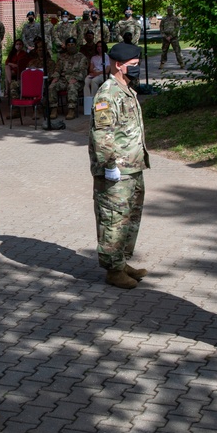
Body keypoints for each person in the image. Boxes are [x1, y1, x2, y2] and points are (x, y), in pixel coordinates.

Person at [89, 42, 150, 290]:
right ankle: (113, 270)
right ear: (118, 65)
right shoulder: (107, 94)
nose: (136, 69)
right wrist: (109, 165)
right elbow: (103, 135)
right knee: (113, 218)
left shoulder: (127, 89)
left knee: (130, 218)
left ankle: (122, 261)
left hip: (133, 166)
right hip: (116, 170)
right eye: (133, 65)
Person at [47, 37, 89, 120]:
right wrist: (55, 78)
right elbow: (57, 70)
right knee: (52, 87)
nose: (70, 46)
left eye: (72, 45)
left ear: (76, 45)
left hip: (76, 80)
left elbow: (83, 72)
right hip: (63, 79)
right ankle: (54, 109)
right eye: (69, 45)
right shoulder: (62, 57)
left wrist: (76, 78)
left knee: (72, 87)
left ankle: (71, 110)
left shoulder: (81, 57)